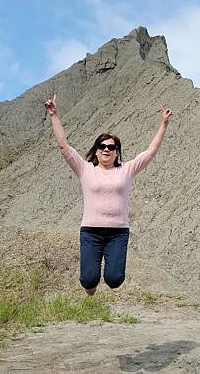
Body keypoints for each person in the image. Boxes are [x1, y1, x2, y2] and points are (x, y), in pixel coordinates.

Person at [45, 94, 173, 295]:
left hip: (117, 233)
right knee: (88, 280)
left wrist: (163, 124)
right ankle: (91, 286)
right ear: (96, 151)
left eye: (111, 147)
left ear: (116, 152)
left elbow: (151, 151)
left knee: (114, 280)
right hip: (91, 232)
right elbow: (64, 146)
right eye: (102, 146)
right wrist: (54, 116)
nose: (106, 149)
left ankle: (108, 277)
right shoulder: (84, 169)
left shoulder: (127, 170)